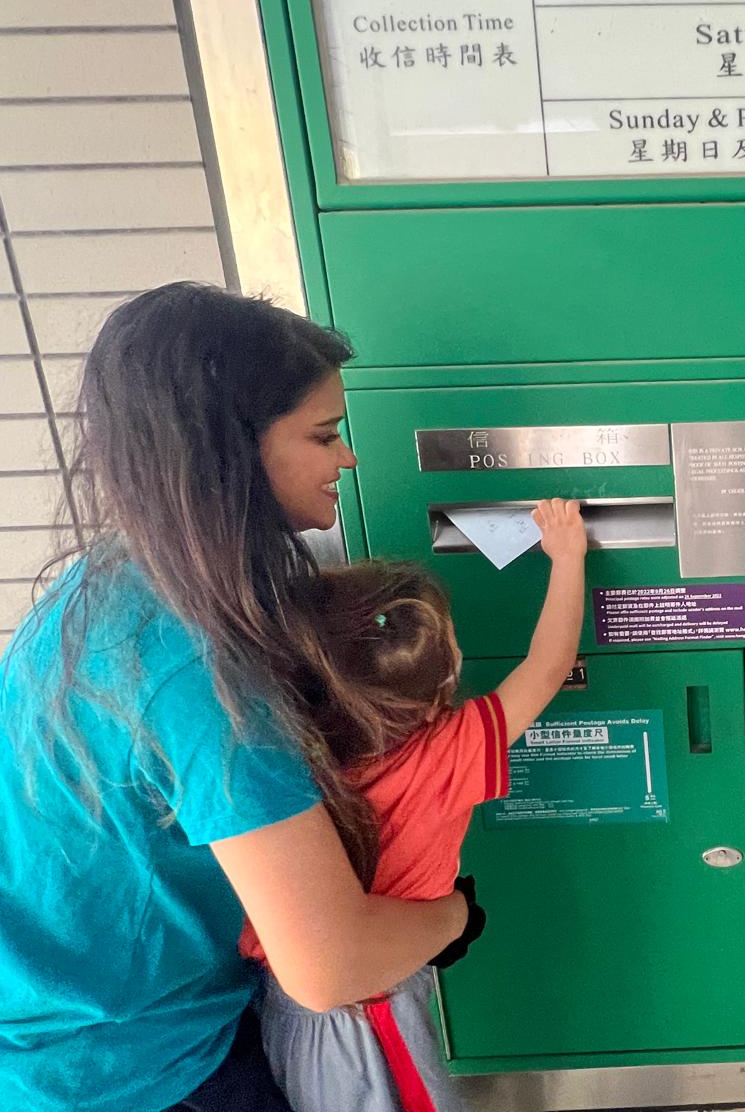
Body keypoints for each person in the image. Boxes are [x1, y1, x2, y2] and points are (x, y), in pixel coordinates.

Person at [0, 284, 478, 1112]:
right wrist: (454, 918)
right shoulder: (202, 673)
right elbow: (330, 966)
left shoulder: (105, 586)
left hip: (58, 1037)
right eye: (323, 435)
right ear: (228, 453)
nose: (347, 460)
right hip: (135, 1067)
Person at [244, 500, 588, 1112]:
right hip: (368, 1009)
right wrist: (568, 556)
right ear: (435, 701)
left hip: (286, 998)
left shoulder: (293, 753)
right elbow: (550, 665)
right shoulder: (447, 751)